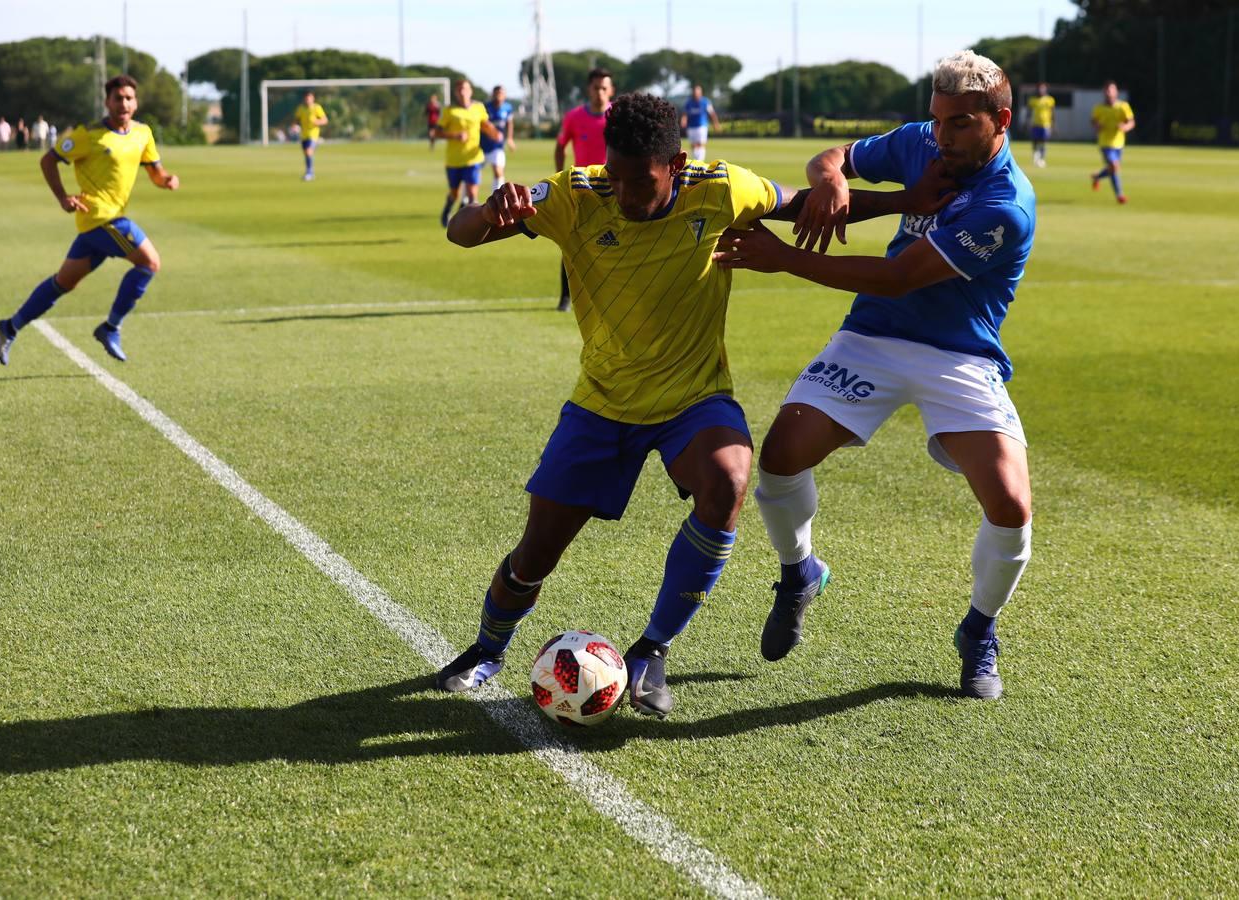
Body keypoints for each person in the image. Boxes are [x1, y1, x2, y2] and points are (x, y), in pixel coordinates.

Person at [437, 93, 797, 719]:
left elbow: (803, 203)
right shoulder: (577, 193)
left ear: (677, 164)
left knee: (730, 480)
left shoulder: (721, 189)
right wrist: (491, 210)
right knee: (536, 553)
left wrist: (896, 199)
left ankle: (653, 648)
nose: (625, 193)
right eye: (616, 175)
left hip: (693, 398)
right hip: (601, 404)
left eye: (642, 180)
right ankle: (488, 648)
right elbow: (459, 233)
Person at [712, 49, 1036, 701]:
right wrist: (830, 179)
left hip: (959, 354)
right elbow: (835, 159)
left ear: (1001, 121)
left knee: (1010, 504)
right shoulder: (921, 143)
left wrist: (782, 259)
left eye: (961, 125)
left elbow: (896, 277)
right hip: (875, 337)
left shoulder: (1006, 206)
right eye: (937, 121)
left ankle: (979, 631)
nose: (942, 137)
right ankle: (799, 574)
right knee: (778, 459)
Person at [0, 75, 180, 366]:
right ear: (107, 102)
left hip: (103, 224)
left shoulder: (143, 133)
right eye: (117, 98)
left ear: (136, 102)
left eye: (129, 98)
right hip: (100, 218)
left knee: (63, 283)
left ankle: (9, 327)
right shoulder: (88, 134)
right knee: (149, 263)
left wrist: (167, 179)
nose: (124, 103)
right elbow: (48, 160)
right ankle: (110, 328)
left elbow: (155, 171)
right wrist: (62, 197)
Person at [553, 67, 614, 312]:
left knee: (616, 242)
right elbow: (560, 146)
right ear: (588, 89)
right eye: (595, 87)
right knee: (571, 243)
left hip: (614, 188)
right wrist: (559, 176)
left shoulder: (618, 115)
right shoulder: (574, 117)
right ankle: (565, 297)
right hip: (582, 189)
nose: (599, 92)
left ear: (611, 90)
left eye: (604, 88)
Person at [431, 79, 500, 228]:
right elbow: (436, 132)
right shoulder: (450, 111)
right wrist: (455, 136)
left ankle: (471, 225)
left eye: (465, 89)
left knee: (472, 194)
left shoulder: (478, 108)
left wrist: (494, 133)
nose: (463, 92)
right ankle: (447, 209)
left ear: (471, 91)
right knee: (455, 194)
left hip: (473, 158)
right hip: (454, 160)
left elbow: (485, 124)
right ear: (456, 93)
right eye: (460, 89)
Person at [1091, 81, 1134, 204]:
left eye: (1111, 90)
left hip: (1119, 143)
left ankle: (1097, 177)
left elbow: (1131, 122)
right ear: (1104, 92)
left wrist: (1125, 127)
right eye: (1107, 90)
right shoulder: (1099, 108)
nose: (1109, 92)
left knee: (1113, 168)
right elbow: (1093, 122)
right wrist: (1097, 125)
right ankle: (1120, 195)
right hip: (1105, 143)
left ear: (1116, 92)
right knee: (1114, 166)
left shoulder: (1123, 106)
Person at [482, 85, 516, 192]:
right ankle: (466, 200)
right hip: (481, 147)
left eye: (501, 93)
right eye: (496, 93)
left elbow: (509, 123)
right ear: (493, 94)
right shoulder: (485, 107)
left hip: (497, 147)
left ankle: (497, 198)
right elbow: (480, 124)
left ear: (504, 95)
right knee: (471, 175)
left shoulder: (508, 108)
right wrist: (491, 132)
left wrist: (510, 138)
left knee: (498, 172)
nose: (498, 96)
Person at [294, 90, 329, 181]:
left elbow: (325, 120)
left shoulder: (317, 108)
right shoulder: (301, 108)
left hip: (313, 135)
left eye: (309, 98)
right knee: (307, 154)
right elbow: (297, 120)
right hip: (304, 135)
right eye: (306, 98)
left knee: (309, 151)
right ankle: (310, 172)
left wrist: (317, 122)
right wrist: (295, 126)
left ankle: (309, 173)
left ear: (312, 98)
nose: (308, 100)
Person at [681, 84, 720, 162]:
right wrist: (683, 120)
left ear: (701, 92)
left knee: (701, 143)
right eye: (694, 92)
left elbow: (712, 113)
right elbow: (685, 114)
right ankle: (696, 159)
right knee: (693, 145)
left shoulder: (705, 102)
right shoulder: (689, 103)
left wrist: (716, 123)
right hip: (691, 126)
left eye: (697, 92)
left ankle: (700, 160)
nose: (696, 93)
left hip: (701, 126)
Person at [1026, 82, 1054, 168]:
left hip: (1046, 124)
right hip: (1035, 124)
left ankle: (1042, 158)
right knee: (1035, 140)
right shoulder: (1033, 100)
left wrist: (1053, 124)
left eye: (1043, 88)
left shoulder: (1050, 100)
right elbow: (1029, 113)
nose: (1041, 90)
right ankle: (1035, 156)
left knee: (1043, 141)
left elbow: (1053, 112)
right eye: (1039, 88)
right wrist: (1027, 122)